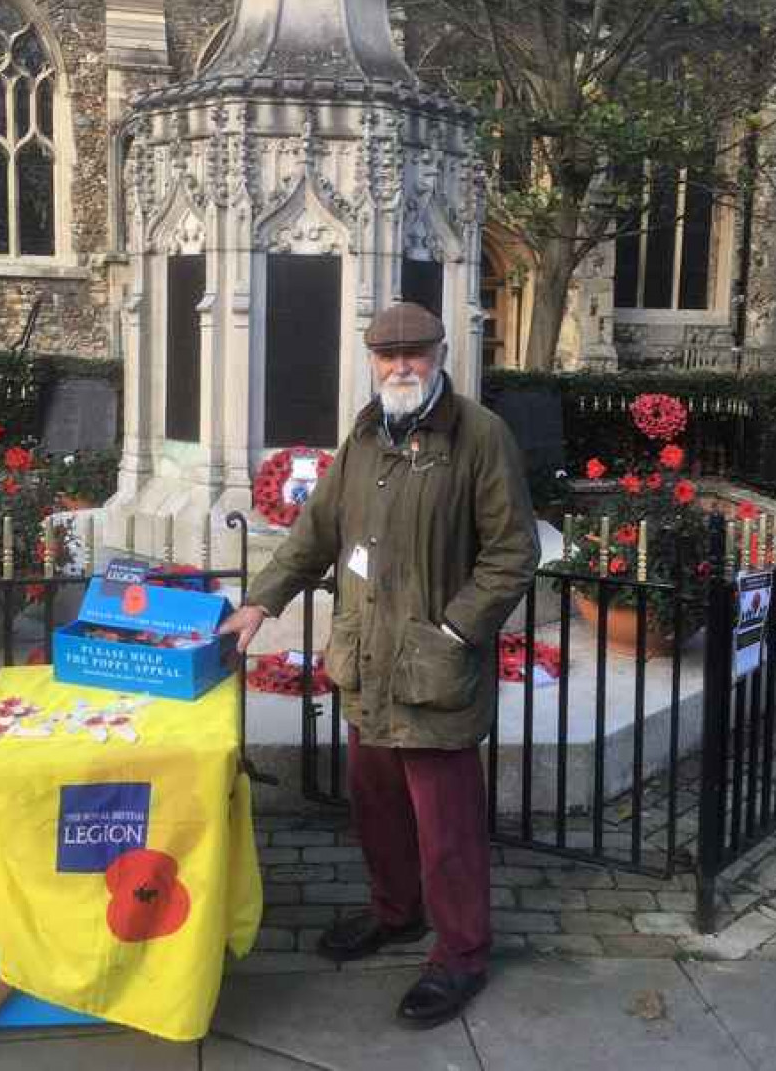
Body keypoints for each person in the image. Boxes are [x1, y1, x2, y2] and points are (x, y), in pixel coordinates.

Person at [224, 301, 540, 1028]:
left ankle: (460, 954)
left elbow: (513, 552)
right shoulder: (365, 436)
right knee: (378, 809)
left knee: (447, 826)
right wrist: (261, 602)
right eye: (388, 355)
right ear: (371, 360)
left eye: (416, 354)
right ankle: (395, 913)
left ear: (439, 356)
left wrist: (456, 631)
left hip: (434, 671)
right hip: (369, 666)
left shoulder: (480, 437)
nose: (402, 367)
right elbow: (316, 533)